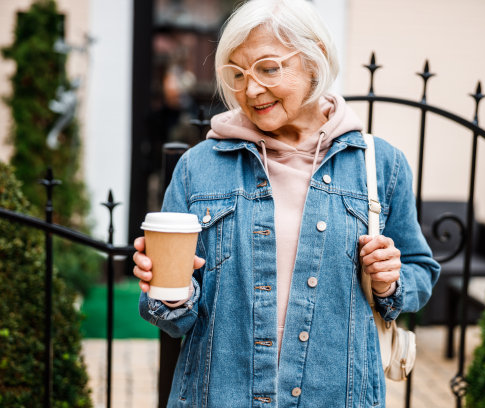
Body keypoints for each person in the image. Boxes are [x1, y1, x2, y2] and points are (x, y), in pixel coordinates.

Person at [133, 0, 440, 406]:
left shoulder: (381, 165)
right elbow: (170, 318)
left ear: (316, 59)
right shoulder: (198, 168)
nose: (251, 89)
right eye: (238, 74)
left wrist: (389, 281)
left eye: (268, 68)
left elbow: (420, 271)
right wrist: (170, 292)